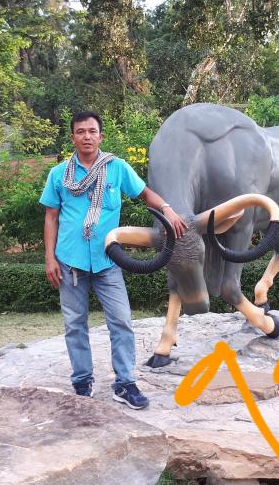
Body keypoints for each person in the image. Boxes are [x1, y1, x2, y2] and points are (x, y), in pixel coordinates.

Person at [39, 112, 187, 409]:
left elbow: (145, 194)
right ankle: (82, 382)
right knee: (74, 325)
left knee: (121, 321)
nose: (87, 136)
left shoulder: (117, 168)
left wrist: (168, 210)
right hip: (69, 261)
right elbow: (51, 217)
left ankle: (125, 383)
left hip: (107, 261)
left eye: (92, 131)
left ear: (100, 136)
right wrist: (49, 258)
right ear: (73, 138)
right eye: (81, 131)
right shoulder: (59, 174)